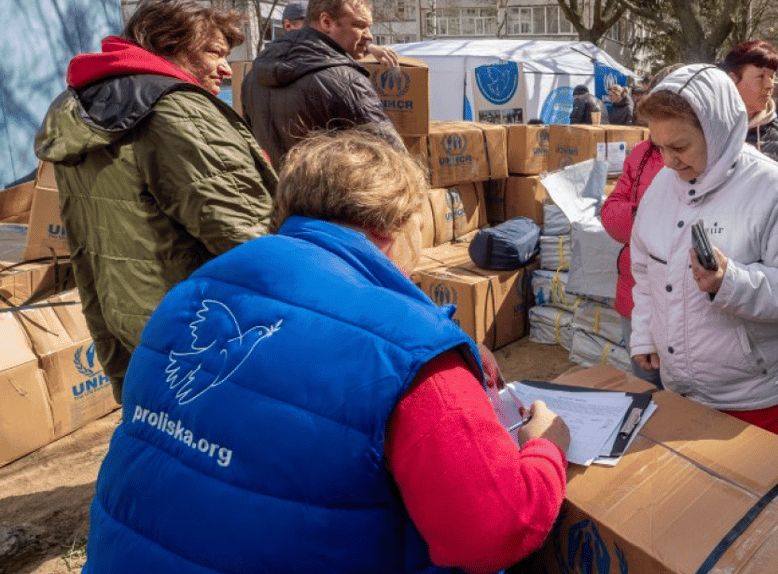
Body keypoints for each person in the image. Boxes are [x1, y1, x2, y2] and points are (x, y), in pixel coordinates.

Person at [83, 129, 571, 573]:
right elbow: (494, 533)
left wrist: (447, 351)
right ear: (395, 228)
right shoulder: (411, 352)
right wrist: (547, 445)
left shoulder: (194, 291)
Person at [33, 0, 276, 404]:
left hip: (135, 325)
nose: (225, 69)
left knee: (162, 429)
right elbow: (250, 240)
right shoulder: (178, 111)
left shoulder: (87, 107)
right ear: (167, 44)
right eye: (214, 53)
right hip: (207, 337)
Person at [628, 64, 778, 438]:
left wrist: (732, 283)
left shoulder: (774, 189)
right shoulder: (661, 187)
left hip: (752, 400)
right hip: (679, 390)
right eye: (660, 148)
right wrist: (644, 333)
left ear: (717, 130)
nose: (669, 161)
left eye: (680, 147)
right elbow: (645, 270)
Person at [242, 0, 404, 165]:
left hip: (279, 183)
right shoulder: (347, 83)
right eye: (359, 25)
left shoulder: (253, 78)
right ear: (326, 22)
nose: (369, 36)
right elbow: (394, 159)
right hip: (336, 184)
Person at [600, 65, 680, 386]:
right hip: (633, 293)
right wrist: (648, 216)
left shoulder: (704, 157)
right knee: (646, 385)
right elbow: (611, 214)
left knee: (687, 400)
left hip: (684, 302)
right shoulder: (641, 154)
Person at [718, 40, 778, 167]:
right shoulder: (711, 128)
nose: (770, 85)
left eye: (772, 76)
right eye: (760, 77)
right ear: (732, 80)